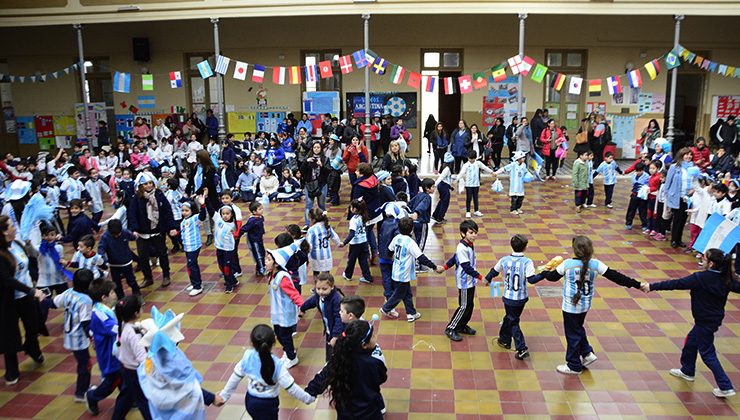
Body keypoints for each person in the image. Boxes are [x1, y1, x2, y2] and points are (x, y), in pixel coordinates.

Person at [641, 248, 740, 398]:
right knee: (691, 342)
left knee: (707, 354)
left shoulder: (700, 278)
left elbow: (675, 283)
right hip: (712, 320)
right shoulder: (726, 278)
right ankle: (687, 370)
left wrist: (652, 286)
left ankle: (725, 386)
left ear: (711, 263)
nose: (702, 260)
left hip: (704, 322)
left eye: (704, 258)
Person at [540, 236, 641, 374]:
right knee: (577, 328)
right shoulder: (596, 265)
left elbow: (552, 278)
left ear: (574, 250)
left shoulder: (567, 264)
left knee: (572, 334)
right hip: (585, 305)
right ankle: (587, 353)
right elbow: (618, 277)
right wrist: (637, 284)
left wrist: (546, 271)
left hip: (570, 306)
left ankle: (573, 365)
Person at [215, 324, 314, 418]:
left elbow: (235, 377)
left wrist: (224, 395)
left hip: (251, 401)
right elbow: (291, 388)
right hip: (268, 405)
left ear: (251, 343)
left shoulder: (247, 356)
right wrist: (308, 398)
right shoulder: (277, 365)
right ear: (274, 342)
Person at [304, 320, 387, 419]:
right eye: (373, 336)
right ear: (364, 345)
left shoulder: (337, 360)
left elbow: (321, 377)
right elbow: (382, 378)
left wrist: (309, 392)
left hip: (346, 414)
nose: (375, 337)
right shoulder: (374, 362)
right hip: (370, 413)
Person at [0, 215, 46, 385]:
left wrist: (34, 279)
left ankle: (32, 348)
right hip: (10, 300)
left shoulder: (17, 244)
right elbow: (6, 279)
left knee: (33, 326)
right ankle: (12, 370)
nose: (14, 227)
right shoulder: (1, 254)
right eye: (11, 225)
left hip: (27, 296)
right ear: (4, 232)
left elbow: (29, 263)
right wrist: (31, 290)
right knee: (10, 334)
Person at [486, 234, 543, 360]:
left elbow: (494, 271)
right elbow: (532, 280)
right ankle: (504, 339)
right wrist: (543, 274)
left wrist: (487, 278)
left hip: (508, 297)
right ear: (525, 247)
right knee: (511, 318)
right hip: (521, 298)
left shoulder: (504, 260)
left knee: (513, 320)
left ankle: (521, 348)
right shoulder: (527, 262)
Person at [380, 217, 438, 322]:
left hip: (396, 271)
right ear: (412, 229)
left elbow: (389, 250)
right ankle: (386, 308)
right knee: (399, 294)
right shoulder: (410, 242)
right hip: (403, 274)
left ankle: (411, 313)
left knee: (407, 293)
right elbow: (421, 258)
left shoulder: (396, 238)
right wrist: (434, 266)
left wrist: (392, 257)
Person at [128, 171, 178, 288]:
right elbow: (132, 214)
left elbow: (167, 212)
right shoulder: (137, 198)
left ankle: (166, 275)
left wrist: (171, 227)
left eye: (150, 183)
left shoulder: (159, 195)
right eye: (145, 184)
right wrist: (134, 229)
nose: (149, 185)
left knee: (162, 253)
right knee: (143, 256)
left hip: (157, 231)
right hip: (142, 233)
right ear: (141, 186)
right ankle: (148, 278)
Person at [437, 220, 483, 342]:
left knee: (470, 305)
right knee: (463, 306)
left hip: (470, 281)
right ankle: (451, 328)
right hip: (464, 282)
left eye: (475, 233)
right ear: (463, 234)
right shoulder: (462, 248)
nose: (474, 235)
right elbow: (466, 267)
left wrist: (445, 267)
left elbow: (454, 259)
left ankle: (462, 325)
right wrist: (481, 277)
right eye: (471, 232)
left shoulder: (469, 245)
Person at [52, 269, 93, 402]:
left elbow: (53, 303)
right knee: (85, 365)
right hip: (79, 339)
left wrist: (41, 299)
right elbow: (86, 323)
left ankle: (82, 389)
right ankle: (81, 392)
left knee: (82, 363)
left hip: (69, 336)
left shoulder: (69, 293)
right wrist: (94, 337)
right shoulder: (85, 300)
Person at [86, 280, 125, 416]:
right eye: (112, 292)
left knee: (123, 377)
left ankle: (127, 399)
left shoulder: (106, 309)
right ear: (104, 297)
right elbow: (115, 329)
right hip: (109, 355)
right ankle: (93, 396)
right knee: (111, 382)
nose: (115, 294)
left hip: (116, 353)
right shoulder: (100, 314)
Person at [265, 242, 304, 369]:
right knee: (279, 335)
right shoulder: (273, 274)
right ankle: (287, 353)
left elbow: (294, 294)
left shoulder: (282, 277)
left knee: (285, 336)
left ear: (276, 264)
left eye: (269, 259)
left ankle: (292, 358)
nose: (265, 261)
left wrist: (302, 307)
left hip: (285, 313)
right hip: (277, 313)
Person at [299, 273, 344, 361]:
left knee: (337, 352)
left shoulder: (336, 300)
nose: (320, 291)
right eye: (318, 288)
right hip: (328, 330)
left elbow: (339, 319)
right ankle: (328, 364)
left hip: (336, 331)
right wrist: (302, 308)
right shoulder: (318, 296)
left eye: (324, 289)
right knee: (329, 351)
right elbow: (312, 302)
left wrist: (335, 336)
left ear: (331, 287)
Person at [665, 148, 700, 249]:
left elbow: (696, 182)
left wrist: (693, 190)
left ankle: (679, 239)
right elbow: (668, 182)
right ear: (681, 155)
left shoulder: (694, 168)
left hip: (688, 198)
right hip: (677, 197)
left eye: (690, 155)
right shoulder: (674, 167)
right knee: (677, 219)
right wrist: (666, 195)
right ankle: (674, 239)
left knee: (683, 219)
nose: (689, 157)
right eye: (686, 155)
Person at [340, 200, 373, 284]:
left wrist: (344, 243)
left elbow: (351, 234)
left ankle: (348, 274)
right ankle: (367, 277)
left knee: (351, 260)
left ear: (354, 209)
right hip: (364, 241)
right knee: (363, 260)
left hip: (355, 244)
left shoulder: (353, 220)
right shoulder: (364, 216)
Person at [300, 141, 329, 229]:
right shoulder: (308, 158)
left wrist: (322, 165)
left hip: (321, 185)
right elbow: (301, 170)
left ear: (321, 149)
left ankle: (324, 222)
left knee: (322, 205)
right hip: (309, 184)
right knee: (309, 205)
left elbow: (328, 171)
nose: (316, 149)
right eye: (314, 147)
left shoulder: (325, 158)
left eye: (318, 147)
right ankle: (307, 224)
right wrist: (306, 162)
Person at [306, 208, 340, 276]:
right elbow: (335, 237)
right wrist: (339, 243)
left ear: (313, 220)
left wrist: (306, 256)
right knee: (327, 274)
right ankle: (327, 285)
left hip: (316, 256)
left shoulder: (311, 230)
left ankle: (317, 286)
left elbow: (309, 245)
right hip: (327, 255)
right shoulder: (327, 226)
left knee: (316, 273)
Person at [459, 150, 494, 218]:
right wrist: (456, 179)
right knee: (468, 198)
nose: (471, 160)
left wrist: (491, 172)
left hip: (476, 184)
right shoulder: (466, 165)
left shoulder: (478, 163)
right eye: (470, 158)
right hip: (468, 184)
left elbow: (485, 167)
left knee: (476, 197)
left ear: (475, 158)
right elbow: (462, 173)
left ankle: (476, 210)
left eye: (473, 159)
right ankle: (468, 211)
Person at [494, 150, 530, 215]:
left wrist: (529, 176)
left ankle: (518, 208)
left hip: (521, 186)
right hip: (514, 185)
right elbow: (504, 169)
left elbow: (526, 172)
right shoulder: (513, 165)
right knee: (514, 198)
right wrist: (496, 173)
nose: (524, 159)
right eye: (522, 157)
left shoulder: (524, 165)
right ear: (518, 158)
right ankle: (513, 209)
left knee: (520, 197)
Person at [239, 201, 266, 277]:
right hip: (254, 240)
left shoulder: (261, 217)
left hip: (259, 238)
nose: (262, 210)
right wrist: (238, 235)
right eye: (260, 209)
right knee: (258, 254)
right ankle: (261, 269)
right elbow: (245, 228)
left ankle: (259, 268)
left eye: (262, 208)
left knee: (262, 253)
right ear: (254, 212)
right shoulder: (252, 220)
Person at [624, 162, 651, 231]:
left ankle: (644, 224)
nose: (638, 172)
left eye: (640, 171)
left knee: (643, 211)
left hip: (642, 196)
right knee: (631, 209)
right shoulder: (634, 175)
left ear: (643, 170)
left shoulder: (647, 176)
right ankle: (628, 223)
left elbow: (648, 186)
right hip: (634, 195)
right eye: (637, 171)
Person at [432, 152, 455, 224]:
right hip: (443, 187)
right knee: (445, 203)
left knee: (442, 201)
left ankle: (435, 215)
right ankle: (440, 218)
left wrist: (450, 187)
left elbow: (446, 179)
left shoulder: (445, 168)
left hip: (444, 186)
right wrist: (434, 185)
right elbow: (441, 178)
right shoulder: (447, 169)